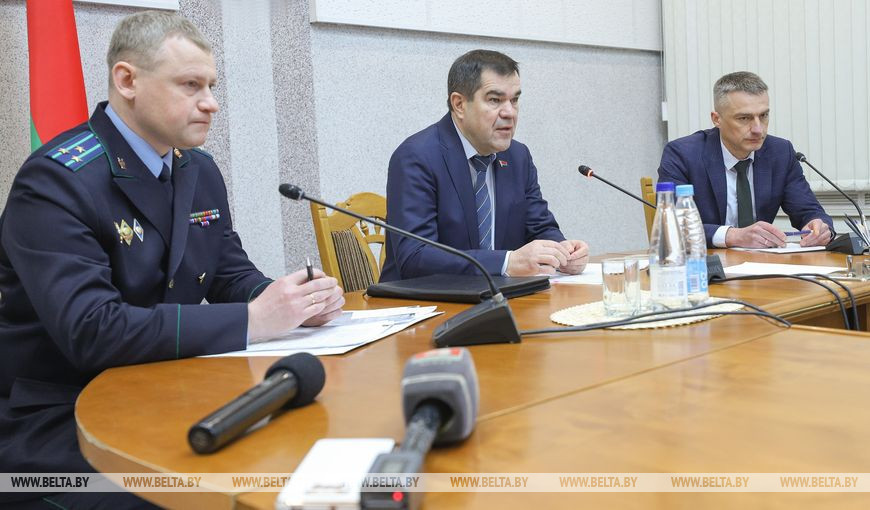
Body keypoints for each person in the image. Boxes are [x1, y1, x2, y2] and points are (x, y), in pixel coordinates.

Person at [0, 11, 343, 508]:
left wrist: (290, 300)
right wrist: (254, 320)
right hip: (57, 415)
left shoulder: (197, 169)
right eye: (190, 85)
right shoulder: (56, 181)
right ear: (127, 81)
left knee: (290, 456)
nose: (211, 103)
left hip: (162, 389)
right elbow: (93, 330)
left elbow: (228, 271)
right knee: (186, 498)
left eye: (211, 86)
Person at [380, 50, 589, 282]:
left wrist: (562, 250)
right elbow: (415, 257)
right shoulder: (417, 157)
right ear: (459, 104)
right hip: (424, 299)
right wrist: (506, 262)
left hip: (501, 296)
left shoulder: (518, 156)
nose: (509, 112)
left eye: (514, 100)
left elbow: (539, 227)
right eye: (495, 100)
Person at [658, 71, 833, 249]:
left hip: (761, 262)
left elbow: (809, 211)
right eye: (744, 118)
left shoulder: (780, 152)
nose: (758, 129)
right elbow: (671, 225)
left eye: (763, 116)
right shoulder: (683, 154)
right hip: (706, 262)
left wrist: (819, 227)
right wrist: (733, 236)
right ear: (717, 119)